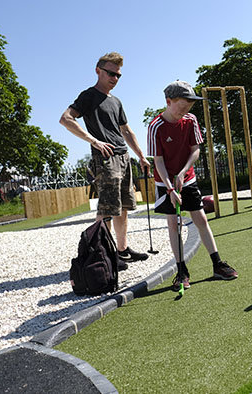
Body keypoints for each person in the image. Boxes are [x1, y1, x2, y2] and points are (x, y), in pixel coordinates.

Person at [60, 52, 150, 271]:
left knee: (124, 207)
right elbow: (65, 119)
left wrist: (140, 155)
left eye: (118, 75)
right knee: (107, 209)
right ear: (98, 71)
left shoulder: (116, 101)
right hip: (106, 158)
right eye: (111, 73)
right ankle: (104, 255)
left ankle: (122, 250)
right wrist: (93, 141)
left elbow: (126, 130)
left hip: (124, 157)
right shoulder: (88, 96)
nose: (115, 78)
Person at [148, 81, 238, 290]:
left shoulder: (191, 120)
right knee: (173, 223)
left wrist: (182, 173)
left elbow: (195, 150)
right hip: (164, 180)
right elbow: (158, 161)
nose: (186, 109)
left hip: (186, 177)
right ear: (169, 102)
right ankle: (181, 271)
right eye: (182, 105)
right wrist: (170, 188)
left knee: (200, 217)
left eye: (190, 105)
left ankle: (217, 264)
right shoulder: (155, 127)